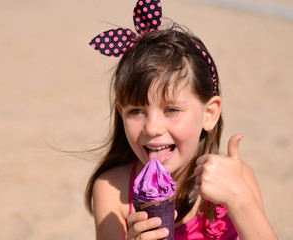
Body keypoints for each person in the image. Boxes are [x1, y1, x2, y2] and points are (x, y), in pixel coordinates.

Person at [85, 0, 278, 239]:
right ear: (120, 112)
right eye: (136, 111)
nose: (153, 128)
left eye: (172, 110)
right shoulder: (112, 190)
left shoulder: (237, 179)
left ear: (209, 114)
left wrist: (240, 199)